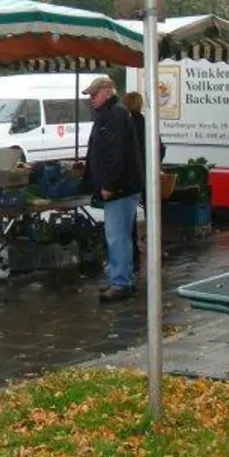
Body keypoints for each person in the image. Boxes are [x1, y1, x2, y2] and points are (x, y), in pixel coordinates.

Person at [80, 76, 143, 302]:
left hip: (120, 188)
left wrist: (109, 184)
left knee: (116, 236)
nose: (92, 99)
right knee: (122, 235)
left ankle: (120, 283)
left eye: (94, 95)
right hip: (126, 186)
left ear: (107, 91)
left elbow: (115, 153)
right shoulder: (113, 113)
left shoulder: (113, 115)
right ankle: (124, 278)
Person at [120, 91, 164, 270]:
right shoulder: (148, 123)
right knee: (151, 213)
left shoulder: (124, 125)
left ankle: (134, 253)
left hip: (131, 177)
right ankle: (156, 249)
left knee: (129, 216)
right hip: (149, 175)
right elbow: (160, 148)